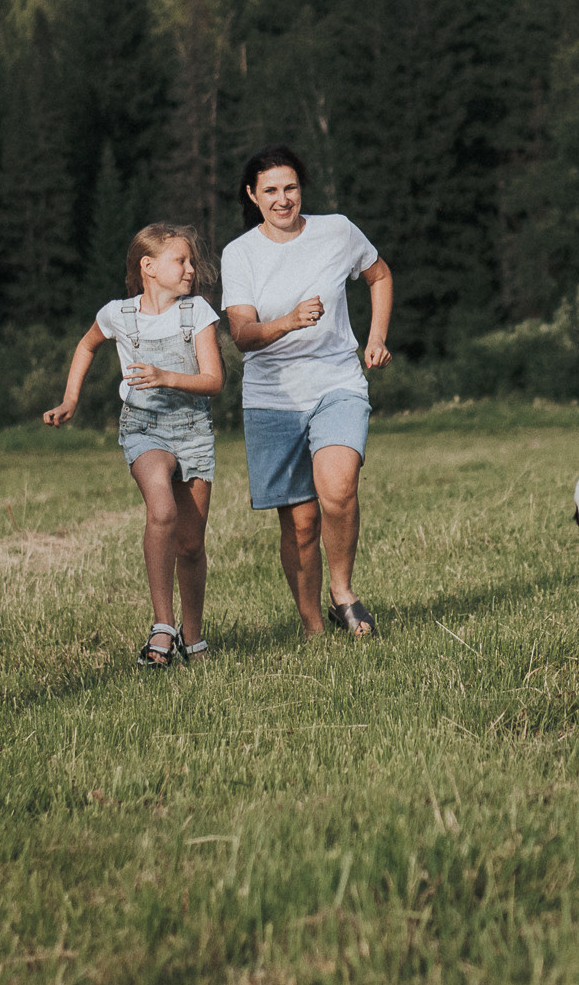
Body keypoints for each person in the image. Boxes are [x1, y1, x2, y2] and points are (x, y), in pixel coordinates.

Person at [220, 146, 394, 639]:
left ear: (302, 189)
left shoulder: (336, 230)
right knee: (299, 524)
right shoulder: (241, 253)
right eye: (270, 190)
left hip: (337, 379)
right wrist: (289, 321)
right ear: (253, 196)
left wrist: (376, 336)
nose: (283, 199)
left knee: (338, 491)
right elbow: (242, 333)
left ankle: (343, 593)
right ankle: (313, 628)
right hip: (272, 395)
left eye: (290, 187)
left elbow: (379, 275)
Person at [41, 223, 226, 667]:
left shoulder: (197, 312)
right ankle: (163, 626)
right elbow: (86, 346)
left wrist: (167, 377)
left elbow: (214, 381)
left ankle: (193, 636)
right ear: (149, 266)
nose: (190, 269)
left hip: (193, 429)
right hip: (144, 428)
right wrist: (70, 399)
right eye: (181, 260)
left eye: (191, 261)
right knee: (161, 509)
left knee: (191, 545)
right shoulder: (117, 315)